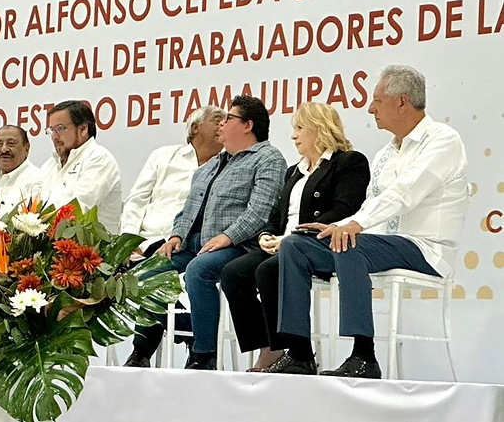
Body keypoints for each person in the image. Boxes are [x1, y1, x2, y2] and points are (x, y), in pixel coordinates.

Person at [275, 65, 468, 378]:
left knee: (349, 244)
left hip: (425, 248)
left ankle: (364, 356)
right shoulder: (385, 154)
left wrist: (352, 226)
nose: (370, 108)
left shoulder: (443, 140)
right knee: (296, 246)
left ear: (402, 101)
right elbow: (371, 206)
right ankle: (299, 354)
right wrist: (339, 226)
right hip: (378, 245)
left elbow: (406, 193)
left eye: (377, 101)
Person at [124, 95, 286, 369]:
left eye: (229, 118)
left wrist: (228, 236)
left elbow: (261, 210)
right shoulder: (212, 164)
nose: (222, 124)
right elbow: (187, 209)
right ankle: (141, 351)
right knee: (147, 273)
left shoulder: (268, 158)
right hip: (195, 243)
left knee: (199, 271)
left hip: (240, 245)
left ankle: (203, 354)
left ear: (247, 125)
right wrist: (176, 236)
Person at [220, 102, 370, 373]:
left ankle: (300, 354)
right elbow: (276, 216)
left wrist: (293, 237)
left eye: (300, 128)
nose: (293, 135)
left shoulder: (349, 162)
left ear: (319, 128)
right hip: (282, 243)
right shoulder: (294, 171)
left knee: (268, 271)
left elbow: (345, 209)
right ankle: (270, 347)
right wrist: (266, 235)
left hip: (316, 245)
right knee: (234, 274)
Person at [120, 106, 225, 257]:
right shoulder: (163, 156)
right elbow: (137, 200)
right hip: (145, 243)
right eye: (217, 120)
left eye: (225, 122)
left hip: (186, 248)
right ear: (195, 128)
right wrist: (128, 243)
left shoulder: (227, 167)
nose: (222, 125)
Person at [38, 100, 123, 233]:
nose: (54, 137)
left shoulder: (99, 158)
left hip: (93, 244)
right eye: (51, 131)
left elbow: (78, 211)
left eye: (60, 129)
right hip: (50, 240)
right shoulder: (49, 165)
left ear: (83, 129)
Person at [0, 125, 43, 217]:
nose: (4, 149)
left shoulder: (37, 179)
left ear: (27, 148)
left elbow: (31, 221)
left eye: (11, 144)